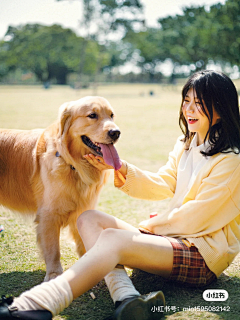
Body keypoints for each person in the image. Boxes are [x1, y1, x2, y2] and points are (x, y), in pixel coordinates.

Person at [1, 70, 240, 320]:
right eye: (187, 101)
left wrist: (149, 229)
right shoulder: (186, 143)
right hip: (175, 242)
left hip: (202, 256)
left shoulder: (231, 160)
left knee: (113, 239)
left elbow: (196, 218)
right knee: (88, 219)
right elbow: (163, 183)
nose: (189, 110)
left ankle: (33, 306)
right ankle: (127, 298)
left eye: (199, 104)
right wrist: (121, 168)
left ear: (221, 108)